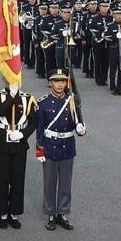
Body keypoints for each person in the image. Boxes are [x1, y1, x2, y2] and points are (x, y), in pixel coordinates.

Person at [35, 70, 86, 231]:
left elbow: (77, 120)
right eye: (56, 81)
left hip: (67, 145)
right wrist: (40, 149)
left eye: (62, 81)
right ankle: (50, 213)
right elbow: (40, 129)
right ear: (50, 83)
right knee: (49, 182)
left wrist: (80, 128)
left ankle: (62, 213)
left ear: (66, 83)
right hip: (50, 145)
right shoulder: (42, 103)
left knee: (65, 183)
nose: (59, 84)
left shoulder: (72, 100)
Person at [0, 79, 35, 228]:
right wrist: (13, 95)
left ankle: (14, 213)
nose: (11, 82)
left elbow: (34, 121)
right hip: (2, 142)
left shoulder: (28, 98)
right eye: (8, 79)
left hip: (19, 143)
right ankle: (2, 213)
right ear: (3, 79)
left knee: (17, 179)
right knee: (2, 179)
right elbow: (0, 111)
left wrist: (23, 134)